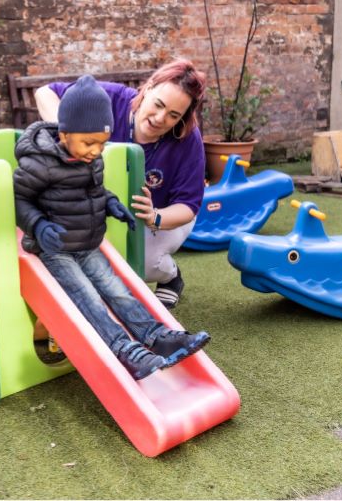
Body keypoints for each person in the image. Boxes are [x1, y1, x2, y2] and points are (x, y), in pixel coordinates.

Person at [13, 74, 210, 380]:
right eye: (89, 143)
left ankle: (157, 337)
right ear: (64, 133)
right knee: (88, 297)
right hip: (54, 248)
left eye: (101, 144)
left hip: (87, 242)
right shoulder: (41, 162)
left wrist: (111, 204)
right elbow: (18, 199)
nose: (96, 151)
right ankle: (124, 350)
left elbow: (94, 190)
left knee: (118, 290)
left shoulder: (90, 155)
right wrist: (37, 226)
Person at [34, 59, 206, 309]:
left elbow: (188, 206)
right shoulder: (109, 99)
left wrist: (155, 217)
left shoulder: (187, 139)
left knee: (141, 261)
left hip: (162, 215)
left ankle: (170, 275)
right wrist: (70, 134)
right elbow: (45, 93)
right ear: (148, 88)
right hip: (103, 207)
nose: (160, 118)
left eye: (173, 115)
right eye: (158, 104)